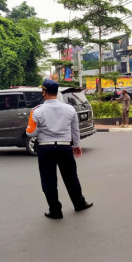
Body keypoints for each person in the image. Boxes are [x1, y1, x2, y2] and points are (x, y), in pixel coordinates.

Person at [26, 79, 92, 219]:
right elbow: (75, 130)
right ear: (56, 92)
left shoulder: (37, 111)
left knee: (49, 181)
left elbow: (30, 133)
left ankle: (55, 211)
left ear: (44, 92)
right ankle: (79, 203)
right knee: (71, 177)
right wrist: (77, 146)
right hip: (64, 147)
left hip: (46, 149)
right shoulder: (69, 109)